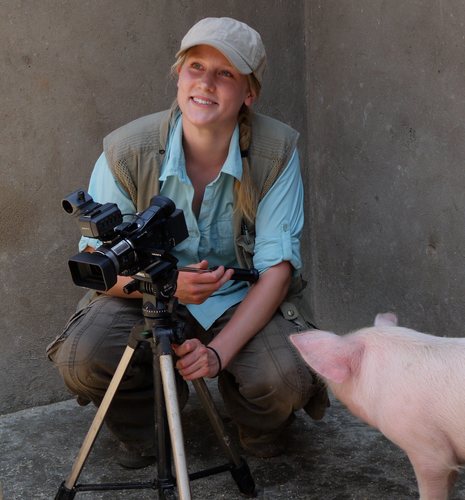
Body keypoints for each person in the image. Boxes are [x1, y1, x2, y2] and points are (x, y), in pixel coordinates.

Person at [47, 16, 328, 468]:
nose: (207, 84)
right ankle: (145, 427)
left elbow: (277, 270)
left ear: (248, 93)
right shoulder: (126, 150)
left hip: (238, 296)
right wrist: (165, 286)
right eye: (196, 67)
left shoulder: (276, 152)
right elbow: (96, 265)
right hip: (141, 293)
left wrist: (217, 354)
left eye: (226, 73)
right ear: (179, 74)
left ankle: (258, 427)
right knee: (83, 358)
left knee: (286, 377)